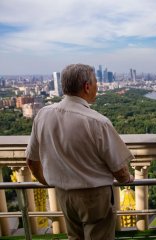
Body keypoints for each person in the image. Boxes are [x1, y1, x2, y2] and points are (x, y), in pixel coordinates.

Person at [25, 63, 134, 240]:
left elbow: (31, 160)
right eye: (96, 83)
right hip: (95, 195)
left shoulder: (43, 115)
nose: (97, 86)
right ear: (87, 86)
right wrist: (126, 179)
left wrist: (47, 182)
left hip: (63, 194)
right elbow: (118, 167)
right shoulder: (98, 122)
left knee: (74, 237)